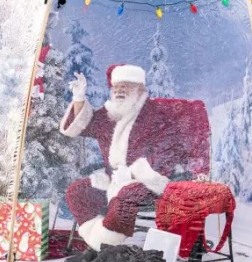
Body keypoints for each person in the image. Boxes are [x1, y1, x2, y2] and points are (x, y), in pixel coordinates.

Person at [60, 64, 193, 250]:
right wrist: (79, 98)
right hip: (112, 179)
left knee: (123, 197)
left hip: (146, 182)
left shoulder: (157, 116)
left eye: (127, 85)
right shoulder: (109, 114)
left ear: (140, 89)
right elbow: (81, 126)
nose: (120, 90)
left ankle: (101, 248)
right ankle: (99, 245)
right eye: (117, 86)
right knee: (77, 192)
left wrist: (131, 175)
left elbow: (167, 155)